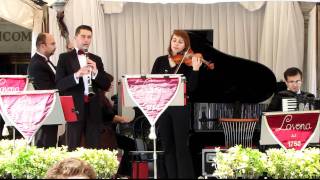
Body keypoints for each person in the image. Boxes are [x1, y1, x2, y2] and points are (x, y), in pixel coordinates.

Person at [151, 30, 205, 178]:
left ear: (185, 46)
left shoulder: (188, 62)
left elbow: (192, 88)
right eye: (174, 40)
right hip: (164, 108)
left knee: (181, 147)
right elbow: (153, 83)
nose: (176, 44)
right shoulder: (160, 61)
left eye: (180, 42)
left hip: (181, 108)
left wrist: (195, 69)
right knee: (167, 147)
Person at [55, 25, 113, 151]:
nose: (86, 40)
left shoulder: (96, 59)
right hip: (74, 108)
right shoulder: (64, 58)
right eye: (83, 36)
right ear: (76, 38)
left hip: (94, 108)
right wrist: (77, 75)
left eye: (89, 37)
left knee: (94, 148)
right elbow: (59, 85)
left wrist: (96, 72)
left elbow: (106, 85)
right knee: (72, 146)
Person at [28, 33, 58, 148]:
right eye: (52, 44)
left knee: (50, 142)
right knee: (46, 143)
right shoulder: (37, 64)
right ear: (42, 46)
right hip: (45, 112)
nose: (55, 46)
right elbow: (46, 89)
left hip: (51, 111)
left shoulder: (45, 61)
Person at [99, 89, 136, 177]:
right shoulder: (100, 99)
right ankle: (124, 172)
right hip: (105, 134)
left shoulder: (103, 98)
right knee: (131, 144)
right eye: (109, 82)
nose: (111, 85)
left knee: (130, 144)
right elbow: (109, 116)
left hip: (108, 131)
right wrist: (123, 119)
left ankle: (123, 171)